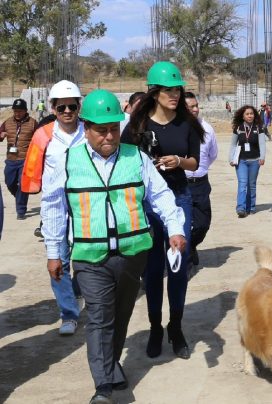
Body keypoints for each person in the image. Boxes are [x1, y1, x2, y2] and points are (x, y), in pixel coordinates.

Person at [41, 89, 186, 404]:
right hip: (89, 257)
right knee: (98, 316)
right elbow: (53, 207)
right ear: (86, 128)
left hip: (132, 254)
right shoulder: (67, 160)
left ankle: (111, 364)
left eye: (113, 129)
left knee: (120, 315)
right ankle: (103, 388)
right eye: (101, 130)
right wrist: (54, 252)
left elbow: (160, 195)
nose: (109, 136)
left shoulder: (136, 157)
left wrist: (175, 228)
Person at [121, 61, 204, 360]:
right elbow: (124, 161)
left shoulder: (187, 124)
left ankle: (176, 327)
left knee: (178, 265)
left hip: (180, 197)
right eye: (169, 90)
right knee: (154, 269)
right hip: (148, 204)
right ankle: (155, 327)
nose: (175, 95)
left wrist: (178, 161)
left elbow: (195, 162)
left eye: (178, 90)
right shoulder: (137, 126)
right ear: (155, 93)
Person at [23, 80, 85, 336]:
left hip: (86, 208)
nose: (67, 111)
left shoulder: (90, 131)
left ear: (79, 107)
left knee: (87, 261)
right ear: (52, 108)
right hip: (56, 207)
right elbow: (33, 170)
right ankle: (68, 314)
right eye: (61, 107)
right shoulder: (43, 135)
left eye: (72, 106)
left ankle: (80, 295)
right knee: (57, 261)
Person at [184, 92, 218, 266]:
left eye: (196, 105)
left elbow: (213, 154)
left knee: (203, 223)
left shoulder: (207, 129)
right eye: (189, 107)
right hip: (180, 184)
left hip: (200, 183)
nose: (195, 109)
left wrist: (199, 169)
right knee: (182, 224)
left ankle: (191, 245)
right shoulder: (175, 130)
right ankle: (185, 258)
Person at [0, 99, 38, 220]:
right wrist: (1, 136)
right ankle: (20, 197)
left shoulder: (33, 123)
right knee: (9, 182)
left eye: (20, 111)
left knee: (22, 183)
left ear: (25, 111)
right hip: (11, 159)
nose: (17, 113)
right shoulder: (7, 122)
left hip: (26, 160)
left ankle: (21, 210)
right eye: (15, 111)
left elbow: (39, 139)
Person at [229, 105, 266, 218]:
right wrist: (231, 158)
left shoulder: (258, 128)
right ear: (243, 116)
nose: (250, 116)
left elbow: (262, 144)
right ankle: (241, 207)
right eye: (247, 114)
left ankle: (251, 207)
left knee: (252, 185)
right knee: (242, 183)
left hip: (255, 161)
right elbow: (233, 144)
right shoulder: (238, 128)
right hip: (241, 161)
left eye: (251, 114)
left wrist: (262, 157)